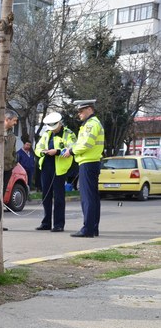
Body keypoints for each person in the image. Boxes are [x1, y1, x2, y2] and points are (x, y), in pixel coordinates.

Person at [63, 100, 105, 237]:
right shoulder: (92, 123)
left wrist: (71, 151)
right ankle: (93, 228)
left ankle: (87, 229)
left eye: (81, 111)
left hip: (88, 163)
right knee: (92, 198)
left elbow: (86, 144)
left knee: (87, 198)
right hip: (91, 162)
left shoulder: (91, 124)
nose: (79, 114)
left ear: (89, 109)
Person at [34, 112, 76, 232]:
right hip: (46, 167)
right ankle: (46, 223)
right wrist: (43, 152)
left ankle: (58, 224)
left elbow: (72, 149)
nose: (52, 129)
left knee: (59, 198)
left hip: (60, 169)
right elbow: (37, 148)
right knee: (46, 196)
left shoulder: (69, 134)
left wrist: (57, 151)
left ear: (59, 123)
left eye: (54, 127)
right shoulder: (46, 134)